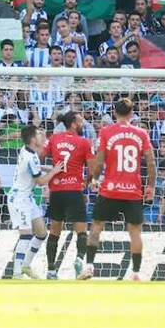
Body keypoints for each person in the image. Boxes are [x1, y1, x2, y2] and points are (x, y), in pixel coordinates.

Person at [82, 98, 155, 281]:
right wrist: (151, 186)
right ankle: (136, 273)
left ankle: (89, 266)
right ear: (132, 114)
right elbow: (151, 161)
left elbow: (99, 161)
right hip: (133, 190)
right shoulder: (141, 133)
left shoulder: (106, 131)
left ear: (114, 113)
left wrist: (95, 179)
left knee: (97, 226)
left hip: (110, 189)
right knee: (135, 232)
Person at [10, 125, 69, 279]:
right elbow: (41, 182)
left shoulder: (26, 151)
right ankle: (16, 273)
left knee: (42, 233)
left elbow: (34, 168)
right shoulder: (31, 157)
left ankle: (26, 266)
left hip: (27, 199)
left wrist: (46, 168)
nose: (43, 137)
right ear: (32, 140)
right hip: (19, 200)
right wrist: (54, 171)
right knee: (26, 235)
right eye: (40, 135)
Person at [43, 110, 93, 279]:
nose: (83, 123)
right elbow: (92, 168)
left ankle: (51, 270)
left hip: (56, 191)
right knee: (81, 231)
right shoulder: (84, 142)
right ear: (73, 124)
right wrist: (88, 180)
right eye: (81, 121)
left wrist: (44, 175)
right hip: (73, 191)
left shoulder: (54, 139)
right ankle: (79, 259)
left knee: (55, 232)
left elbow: (39, 156)